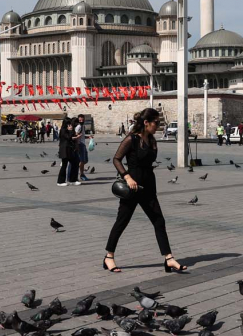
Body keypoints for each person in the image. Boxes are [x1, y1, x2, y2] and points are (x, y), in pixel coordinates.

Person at [103, 108, 187, 274]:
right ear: (146, 122)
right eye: (156, 122)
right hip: (132, 187)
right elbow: (116, 159)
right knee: (122, 221)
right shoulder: (131, 139)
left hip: (149, 185)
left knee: (158, 221)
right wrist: (127, 177)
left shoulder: (152, 140)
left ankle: (169, 258)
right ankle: (109, 256)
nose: (159, 125)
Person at [57, 118, 80, 186]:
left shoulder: (68, 130)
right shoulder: (63, 130)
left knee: (75, 163)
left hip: (70, 150)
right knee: (64, 165)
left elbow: (72, 137)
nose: (70, 125)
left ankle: (73, 180)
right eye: (68, 124)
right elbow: (68, 137)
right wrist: (70, 131)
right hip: (64, 150)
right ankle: (60, 181)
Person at [75, 114, 90, 181]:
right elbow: (76, 135)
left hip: (83, 144)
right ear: (78, 120)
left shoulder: (83, 126)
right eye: (80, 120)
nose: (82, 120)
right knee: (82, 160)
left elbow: (82, 136)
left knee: (85, 160)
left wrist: (88, 137)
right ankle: (81, 174)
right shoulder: (78, 127)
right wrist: (77, 145)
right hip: (80, 144)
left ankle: (79, 171)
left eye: (83, 119)